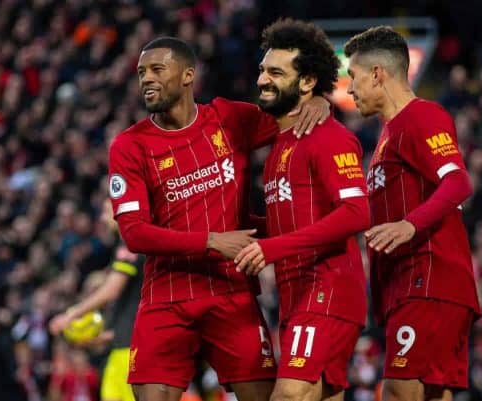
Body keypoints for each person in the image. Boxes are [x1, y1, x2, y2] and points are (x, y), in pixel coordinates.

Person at [107, 37, 329, 401]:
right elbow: (134, 234)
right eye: (141, 72)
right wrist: (212, 240)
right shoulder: (130, 146)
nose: (146, 79)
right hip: (167, 297)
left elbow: (290, 116)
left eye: (157, 70)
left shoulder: (229, 119)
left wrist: (316, 99)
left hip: (230, 293)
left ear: (187, 75)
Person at [234, 19, 370, 401]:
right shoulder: (280, 144)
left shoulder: (329, 137)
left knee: (289, 395)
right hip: (297, 296)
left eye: (276, 72)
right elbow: (290, 220)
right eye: (263, 69)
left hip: (326, 291)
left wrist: (270, 250)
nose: (263, 79)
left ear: (308, 82)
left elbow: (357, 212)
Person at [343, 27, 481, 401]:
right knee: (430, 395)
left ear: (377, 74)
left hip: (428, 280)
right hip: (411, 287)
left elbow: (457, 183)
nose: (349, 88)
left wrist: (409, 225)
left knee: (398, 391)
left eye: (353, 77)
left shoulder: (421, 117)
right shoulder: (390, 133)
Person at [49, 202, 143, 401]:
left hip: (132, 354)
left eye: (106, 211)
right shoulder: (128, 243)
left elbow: (112, 289)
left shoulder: (131, 240)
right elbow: (130, 310)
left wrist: (71, 314)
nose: (102, 217)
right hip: (122, 351)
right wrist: (95, 339)